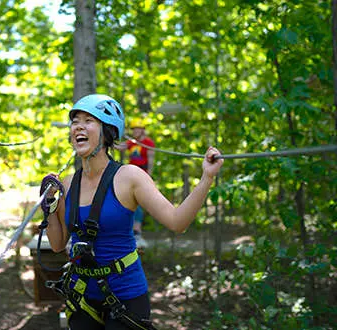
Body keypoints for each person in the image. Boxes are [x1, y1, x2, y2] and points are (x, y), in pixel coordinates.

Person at [41, 94, 223, 330]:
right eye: (75, 121)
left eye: (88, 120)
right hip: (82, 297)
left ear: (108, 132)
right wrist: (49, 207)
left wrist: (206, 178)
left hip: (125, 298)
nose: (79, 126)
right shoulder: (67, 183)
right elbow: (57, 244)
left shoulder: (129, 177)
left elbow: (178, 222)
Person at [117, 118, 155, 243]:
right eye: (133, 129)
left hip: (142, 175)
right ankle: (131, 229)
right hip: (130, 175)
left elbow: (150, 160)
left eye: (137, 129)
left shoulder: (148, 143)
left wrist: (149, 176)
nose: (134, 131)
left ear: (142, 130)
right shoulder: (131, 142)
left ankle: (137, 230)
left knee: (138, 202)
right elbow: (120, 147)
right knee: (128, 200)